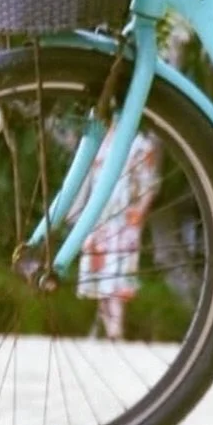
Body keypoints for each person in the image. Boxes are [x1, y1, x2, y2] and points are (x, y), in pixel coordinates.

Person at [77, 129, 160, 340]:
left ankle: (115, 328)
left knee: (117, 275)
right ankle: (107, 326)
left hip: (124, 217)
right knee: (100, 275)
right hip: (99, 216)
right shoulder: (97, 139)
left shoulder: (139, 143)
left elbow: (149, 182)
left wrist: (140, 210)